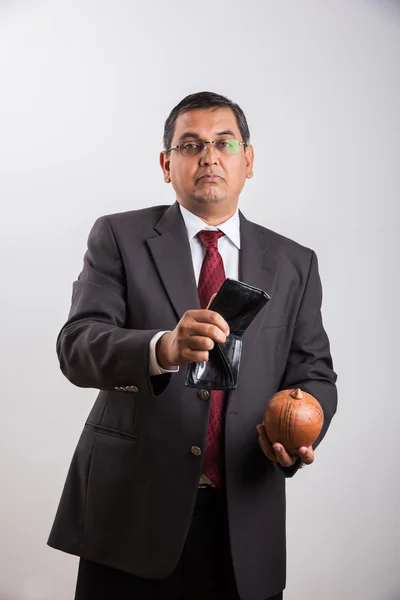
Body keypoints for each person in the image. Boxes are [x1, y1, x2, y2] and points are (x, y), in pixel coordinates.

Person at [48, 91, 338, 600]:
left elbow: (314, 374)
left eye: (224, 142)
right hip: (132, 516)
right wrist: (161, 348)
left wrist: (297, 435)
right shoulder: (118, 236)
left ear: (247, 160)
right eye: (190, 144)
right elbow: (77, 346)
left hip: (245, 520)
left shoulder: (295, 262)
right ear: (166, 164)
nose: (209, 155)